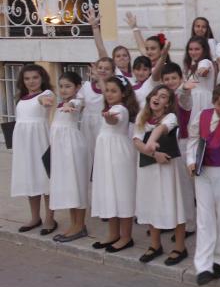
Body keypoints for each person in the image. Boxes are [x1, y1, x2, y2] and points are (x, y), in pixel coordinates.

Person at [186, 83, 220, 285]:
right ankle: (203, 265)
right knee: (204, 216)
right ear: (213, 101)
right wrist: (190, 161)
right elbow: (193, 138)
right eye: (219, 104)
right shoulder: (202, 115)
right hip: (202, 170)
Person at [133, 85, 188, 266]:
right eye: (155, 94)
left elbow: (161, 129)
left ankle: (180, 247)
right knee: (151, 204)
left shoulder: (170, 117)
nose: (158, 98)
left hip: (167, 171)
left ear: (168, 103)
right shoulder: (143, 116)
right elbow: (136, 142)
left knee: (174, 205)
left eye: (163, 96)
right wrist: (153, 153)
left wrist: (150, 141)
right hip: (148, 168)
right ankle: (155, 245)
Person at [90, 75, 139, 253]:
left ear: (123, 93)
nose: (109, 94)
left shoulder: (120, 109)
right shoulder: (111, 107)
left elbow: (114, 119)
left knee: (122, 193)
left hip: (118, 156)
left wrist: (109, 117)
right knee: (110, 192)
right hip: (106, 156)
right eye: (107, 91)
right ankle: (113, 234)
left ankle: (126, 237)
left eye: (114, 91)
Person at [11, 64, 55, 234]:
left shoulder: (45, 94)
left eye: (35, 77)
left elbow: (46, 101)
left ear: (42, 78)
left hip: (39, 141)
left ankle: (50, 218)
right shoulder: (21, 97)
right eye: (27, 78)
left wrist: (45, 102)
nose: (31, 81)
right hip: (24, 144)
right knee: (30, 178)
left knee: (45, 178)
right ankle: (35, 217)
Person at [49, 71, 91, 242]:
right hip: (61, 152)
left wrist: (70, 105)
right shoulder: (61, 103)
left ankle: (80, 226)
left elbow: (76, 103)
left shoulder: (76, 102)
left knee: (78, 186)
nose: (64, 90)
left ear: (77, 87)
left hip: (72, 149)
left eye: (68, 86)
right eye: (61, 86)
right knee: (69, 187)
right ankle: (74, 224)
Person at [161, 63, 196, 238]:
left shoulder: (182, 96)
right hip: (167, 144)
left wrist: (185, 89)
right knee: (172, 186)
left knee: (185, 186)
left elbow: (185, 98)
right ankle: (175, 221)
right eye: (166, 79)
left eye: (174, 78)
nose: (170, 81)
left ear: (181, 78)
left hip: (182, 143)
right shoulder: (163, 98)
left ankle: (189, 224)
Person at [79, 57, 115, 170]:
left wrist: (99, 79)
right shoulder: (86, 86)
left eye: (107, 69)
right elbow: (79, 102)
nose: (103, 70)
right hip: (87, 125)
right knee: (87, 155)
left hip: (104, 124)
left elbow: (109, 98)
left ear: (113, 72)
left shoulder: (114, 88)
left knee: (103, 156)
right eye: (100, 68)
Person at [87, 8, 133, 80]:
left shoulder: (136, 75)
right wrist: (95, 27)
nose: (122, 58)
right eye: (118, 56)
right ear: (113, 60)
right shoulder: (112, 73)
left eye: (125, 55)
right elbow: (101, 49)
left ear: (129, 58)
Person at [183, 36, 215, 122]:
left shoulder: (205, 61)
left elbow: (203, 68)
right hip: (193, 103)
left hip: (203, 102)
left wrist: (203, 70)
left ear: (204, 50)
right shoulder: (190, 67)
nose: (193, 52)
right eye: (190, 49)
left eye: (197, 49)